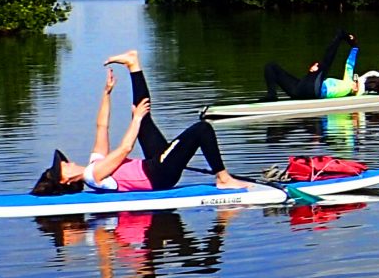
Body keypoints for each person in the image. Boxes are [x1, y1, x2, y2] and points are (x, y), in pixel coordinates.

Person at [32, 51, 243, 196]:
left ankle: (133, 65)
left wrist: (106, 93)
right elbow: (125, 148)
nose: (66, 162)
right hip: (159, 174)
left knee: (144, 119)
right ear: (64, 181)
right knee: (202, 129)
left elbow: (102, 127)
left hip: (154, 166)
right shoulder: (93, 174)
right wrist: (136, 118)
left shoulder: (93, 167)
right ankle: (223, 178)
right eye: (63, 167)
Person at [265, 30, 357, 100]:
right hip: (298, 90)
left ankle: (340, 35)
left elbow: (335, 57)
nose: (355, 84)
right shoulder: (347, 82)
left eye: (356, 85)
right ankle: (272, 95)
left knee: (327, 60)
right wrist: (354, 47)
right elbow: (350, 64)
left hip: (313, 89)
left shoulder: (349, 86)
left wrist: (348, 40)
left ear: (355, 90)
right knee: (271, 67)